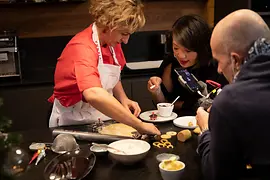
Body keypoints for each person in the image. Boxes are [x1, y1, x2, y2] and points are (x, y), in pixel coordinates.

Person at [48, 0, 160, 135]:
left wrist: (123, 98)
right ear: (108, 25)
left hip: (100, 116)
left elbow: (113, 74)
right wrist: (139, 125)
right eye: (124, 33)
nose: (126, 41)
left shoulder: (112, 41)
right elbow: (94, 94)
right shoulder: (82, 47)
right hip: (73, 121)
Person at [196, 9, 270, 180]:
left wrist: (206, 131)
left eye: (219, 62)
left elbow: (216, 174)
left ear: (236, 60)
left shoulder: (230, 101)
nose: (219, 70)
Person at [147, 15, 227, 116]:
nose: (181, 55)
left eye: (188, 50)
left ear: (201, 48)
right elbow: (165, 105)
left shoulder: (216, 66)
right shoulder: (171, 63)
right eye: (176, 48)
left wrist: (183, 105)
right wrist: (156, 91)